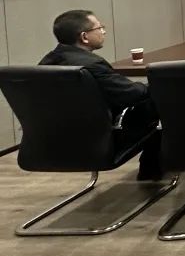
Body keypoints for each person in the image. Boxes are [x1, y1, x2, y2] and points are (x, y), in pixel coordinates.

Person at [39, 10, 162, 180]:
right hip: (100, 140)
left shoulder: (46, 63)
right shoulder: (92, 65)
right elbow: (133, 94)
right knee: (161, 100)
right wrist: (159, 85)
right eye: (99, 28)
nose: (103, 31)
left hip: (52, 141)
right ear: (84, 37)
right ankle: (151, 169)